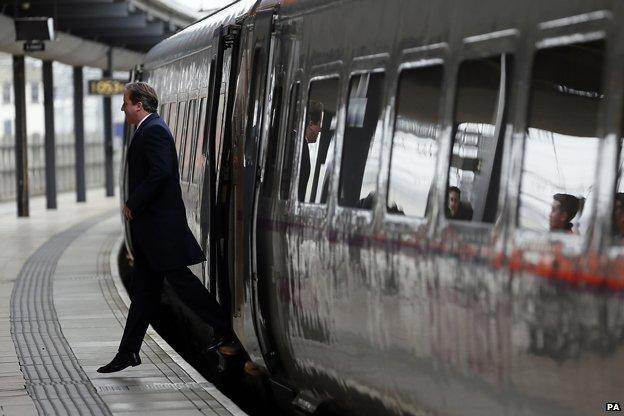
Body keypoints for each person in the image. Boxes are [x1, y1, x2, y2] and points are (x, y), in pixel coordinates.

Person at [97, 82, 229, 373]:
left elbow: (161, 173)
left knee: (181, 282)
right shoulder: (150, 127)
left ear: (139, 105)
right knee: (144, 293)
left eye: (126, 103)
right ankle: (128, 352)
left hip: (160, 230)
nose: (123, 109)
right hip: (152, 233)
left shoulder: (154, 130)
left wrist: (134, 201)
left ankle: (223, 325)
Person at [298, 100, 323, 201]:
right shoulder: (301, 151)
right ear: (311, 124)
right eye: (319, 125)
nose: (320, 130)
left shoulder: (297, 144)